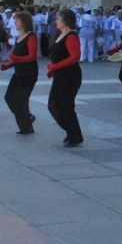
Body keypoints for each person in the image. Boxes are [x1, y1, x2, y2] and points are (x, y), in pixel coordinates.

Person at [47, 8, 84, 147]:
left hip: (70, 76)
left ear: (65, 20)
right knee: (53, 105)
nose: (56, 21)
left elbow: (75, 57)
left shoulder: (71, 36)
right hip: (60, 75)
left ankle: (75, 135)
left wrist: (55, 67)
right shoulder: (60, 34)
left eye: (58, 18)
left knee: (65, 106)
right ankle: (71, 131)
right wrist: (53, 69)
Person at [1, 10, 39, 135]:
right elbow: (17, 57)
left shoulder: (31, 37)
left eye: (17, 20)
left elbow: (32, 56)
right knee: (9, 97)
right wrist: (8, 65)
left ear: (24, 22)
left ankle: (26, 127)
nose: (15, 22)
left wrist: (17, 60)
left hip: (29, 73)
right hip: (19, 72)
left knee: (21, 99)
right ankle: (27, 117)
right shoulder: (18, 37)